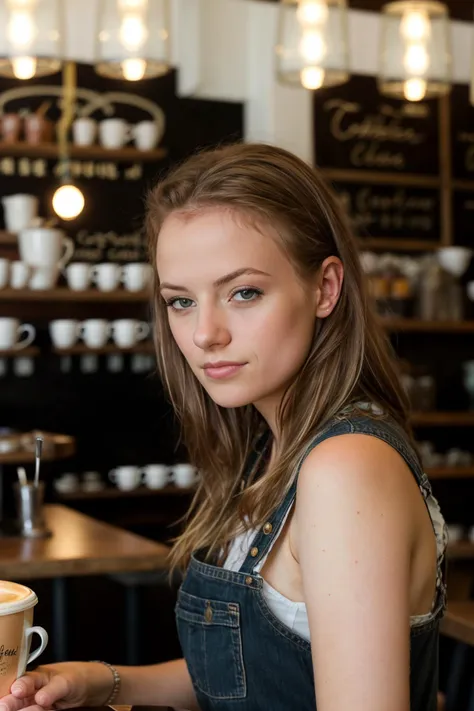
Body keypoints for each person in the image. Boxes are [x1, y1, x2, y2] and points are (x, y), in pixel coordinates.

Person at [0, 143, 447, 711]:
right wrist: (101, 681)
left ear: (325, 289)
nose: (205, 333)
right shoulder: (273, 447)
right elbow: (257, 669)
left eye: (244, 292)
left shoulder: (346, 467)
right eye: (181, 301)